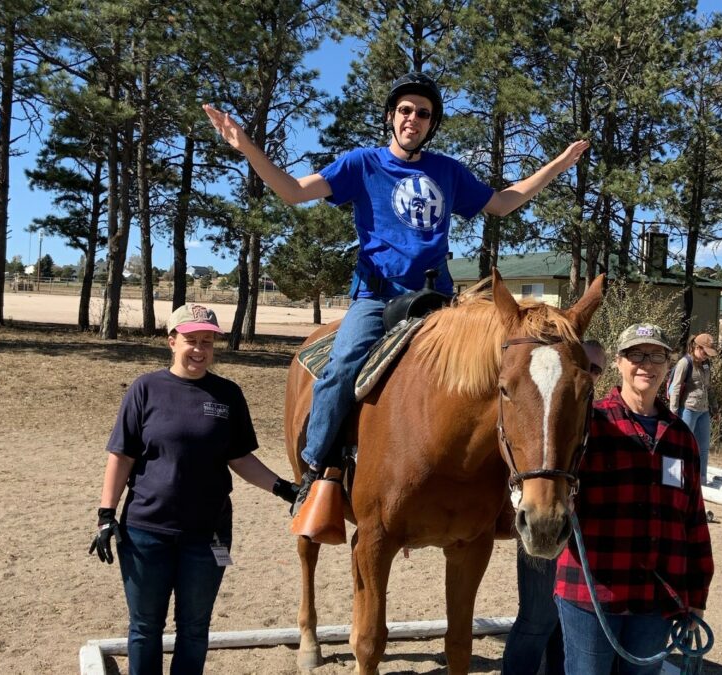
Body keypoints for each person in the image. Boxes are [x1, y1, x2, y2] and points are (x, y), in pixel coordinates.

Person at [203, 72, 589, 515]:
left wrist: (557, 166)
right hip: (378, 296)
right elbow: (292, 193)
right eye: (405, 110)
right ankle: (316, 470)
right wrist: (248, 147)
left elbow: (502, 202)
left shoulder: (447, 171)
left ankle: (512, 487)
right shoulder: (361, 165)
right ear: (391, 116)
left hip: (439, 299)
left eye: (423, 113)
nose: (413, 119)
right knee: (343, 363)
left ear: (431, 123)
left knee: (503, 369)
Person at [88, 303, 299, 675]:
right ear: (172, 341)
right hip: (145, 531)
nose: (200, 350)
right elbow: (121, 456)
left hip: (208, 535)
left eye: (207, 342)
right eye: (191, 340)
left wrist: (285, 489)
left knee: (195, 629)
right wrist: (106, 514)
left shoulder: (227, 395)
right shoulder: (145, 389)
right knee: (145, 628)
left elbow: (240, 457)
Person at [554, 324, 713, 675]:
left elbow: (694, 522)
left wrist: (696, 596)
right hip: (592, 594)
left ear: (668, 366)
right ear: (618, 363)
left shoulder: (680, 437)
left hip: (656, 597)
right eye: (636, 355)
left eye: (656, 355)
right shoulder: (588, 424)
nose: (646, 364)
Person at [503, 340, 604, 675]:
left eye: (597, 371)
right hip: (545, 517)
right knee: (537, 621)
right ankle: (332, 469)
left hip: (574, 533)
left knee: (563, 628)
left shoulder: (597, 416)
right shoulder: (547, 409)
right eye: (586, 367)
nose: (593, 374)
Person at [668, 332, 719, 483]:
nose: (706, 356)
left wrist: (714, 407)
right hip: (687, 410)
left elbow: (709, 388)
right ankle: (676, 478)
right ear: (696, 347)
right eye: (705, 352)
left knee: (703, 447)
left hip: (703, 410)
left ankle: (701, 478)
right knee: (682, 445)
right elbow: (676, 388)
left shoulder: (706, 364)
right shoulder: (685, 363)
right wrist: (674, 413)